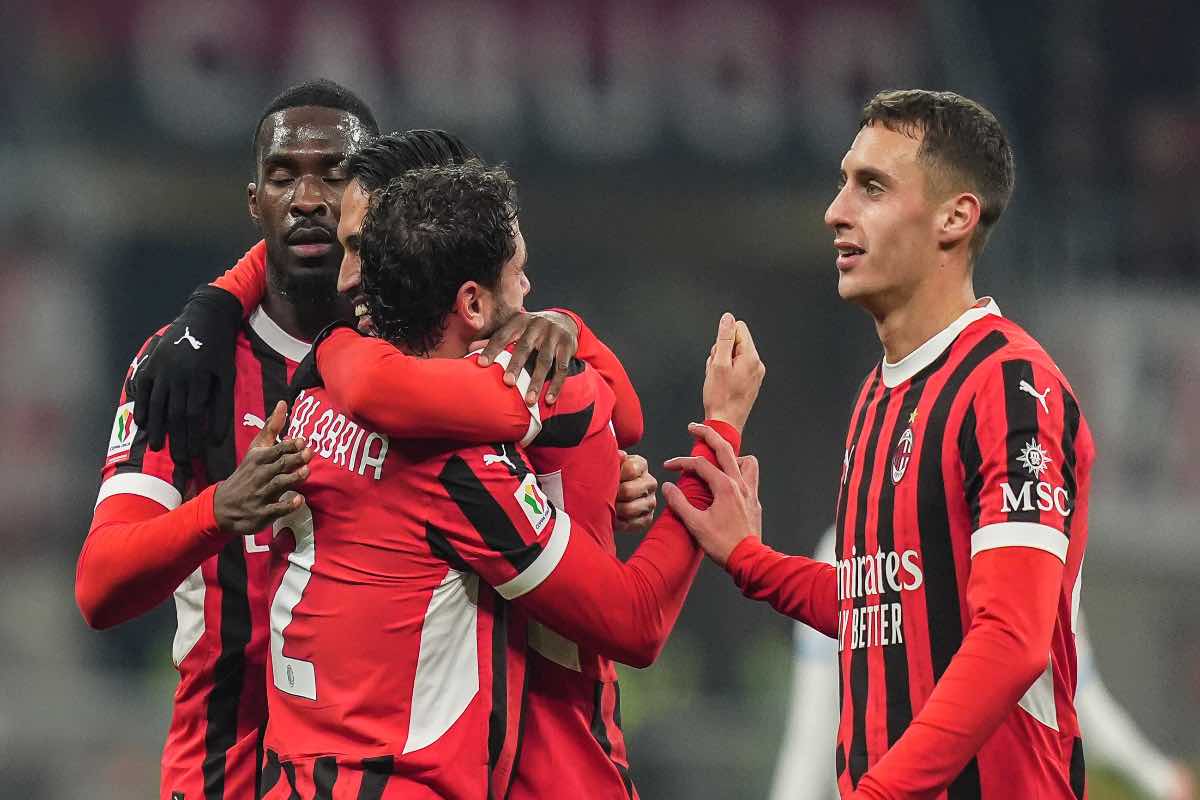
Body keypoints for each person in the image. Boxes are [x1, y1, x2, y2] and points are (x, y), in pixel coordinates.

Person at [77, 88, 621, 799]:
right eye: (283, 177)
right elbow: (100, 587)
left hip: (399, 774)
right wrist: (218, 511)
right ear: (254, 202)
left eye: (334, 175)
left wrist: (571, 338)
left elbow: (611, 417)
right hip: (223, 769)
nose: (309, 199)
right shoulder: (187, 363)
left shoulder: (445, 355)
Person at [256, 160, 764, 797]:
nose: (531, 293)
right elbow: (635, 619)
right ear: (472, 301)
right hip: (535, 776)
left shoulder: (312, 398)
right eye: (519, 271)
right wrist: (720, 430)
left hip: (291, 775)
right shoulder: (462, 459)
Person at [667, 89, 1095, 798]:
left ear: (955, 217)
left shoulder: (1009, 386)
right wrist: (751, 560)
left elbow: (1011, 639)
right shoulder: (879, 395)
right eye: (843, 183)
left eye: (871, 187)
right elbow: (891, 608)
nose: (836, 212)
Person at [769, 530, 1197, 800]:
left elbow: (808, 742)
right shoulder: (1030, 551)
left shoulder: (840, 551)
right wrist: (1159, 779)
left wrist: (1157, 778)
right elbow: (1083, 701)